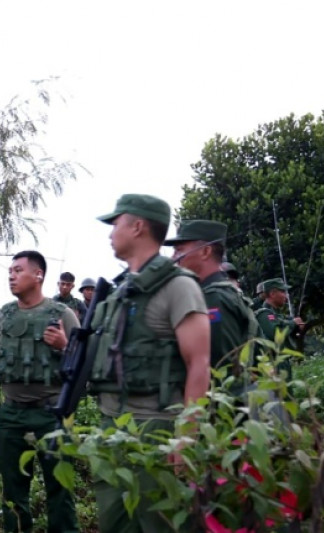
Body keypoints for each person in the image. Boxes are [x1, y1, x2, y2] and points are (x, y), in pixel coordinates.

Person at [89, 194, 211, 532]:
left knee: (159, 524)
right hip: (110, 426)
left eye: (116, 224)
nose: (110, 232)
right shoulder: (119, 291)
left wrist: (186, 436)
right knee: (114, 522)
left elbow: (199, 364)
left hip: (155, 428)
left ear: (138, 226)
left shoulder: (179, 287)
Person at [0, 251, 80, 533]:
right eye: (10, 270)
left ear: (38, 275)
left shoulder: (64, 315)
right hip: (11, 415)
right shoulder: (1, 316)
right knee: (12, 491)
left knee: (60, 489)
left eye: (18, 270)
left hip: (53, 415)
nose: (11, 275)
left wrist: (64, 345)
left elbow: (84, 366)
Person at [166, 220, 257, 371]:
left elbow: (221, 369)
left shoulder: (213, 299)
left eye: (179, 250)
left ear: (205, 252)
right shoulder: (217, 293)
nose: (173, 258)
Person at [255, 278, 306, 376]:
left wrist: (298, 327)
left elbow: (290, 335)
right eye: (283, 292)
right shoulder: (264, 314)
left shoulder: (277, 315)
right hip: (274, 364)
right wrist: (293, 323)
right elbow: (275, 334)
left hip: (283, 362)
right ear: (273, 293)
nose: (286, 296)